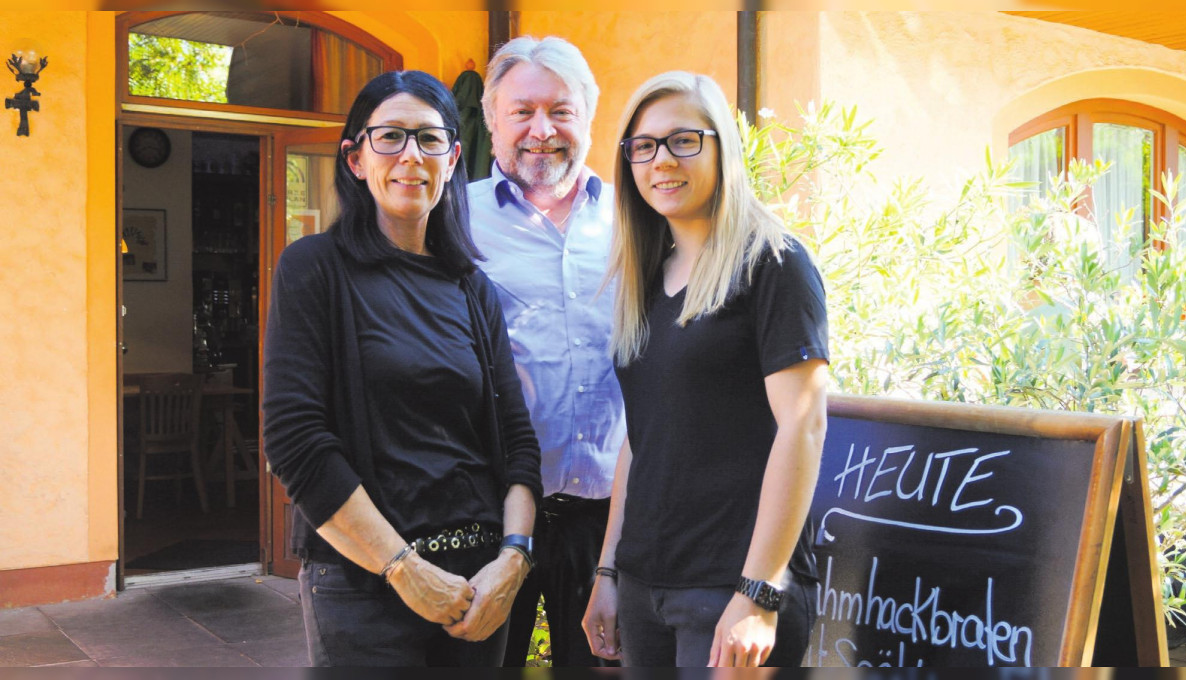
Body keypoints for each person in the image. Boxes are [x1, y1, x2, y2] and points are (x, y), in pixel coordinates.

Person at [262, 69, 542, 667]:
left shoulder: (473, 289)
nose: (411, 156)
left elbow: (517, 441)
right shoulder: (314, 269)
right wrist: (404, 569)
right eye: (390, 137)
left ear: (454, 158)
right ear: (356, 159)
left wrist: (514, 559)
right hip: (366, 588)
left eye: (430, 139)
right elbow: (296, 442)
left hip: (479, 588)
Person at [581, 71, 829, 667]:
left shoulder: (773, 263)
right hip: (646, 587)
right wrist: (610, 570)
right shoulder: (644, 276)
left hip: (730, 590)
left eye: (683, 140)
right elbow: (641, 439)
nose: (661, 160)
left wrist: (760, 592)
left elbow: (804, 426)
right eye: (643, 146)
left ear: (723, 147)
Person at [468, 36, 626, 668]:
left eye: (561, 111)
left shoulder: (633, 220)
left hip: (610, 516)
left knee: (598, 666)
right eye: (522, 112)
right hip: (495, 508)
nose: (543, 130)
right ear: (492, 121)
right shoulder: (453, 218)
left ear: (588, 117)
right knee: (491, 666)